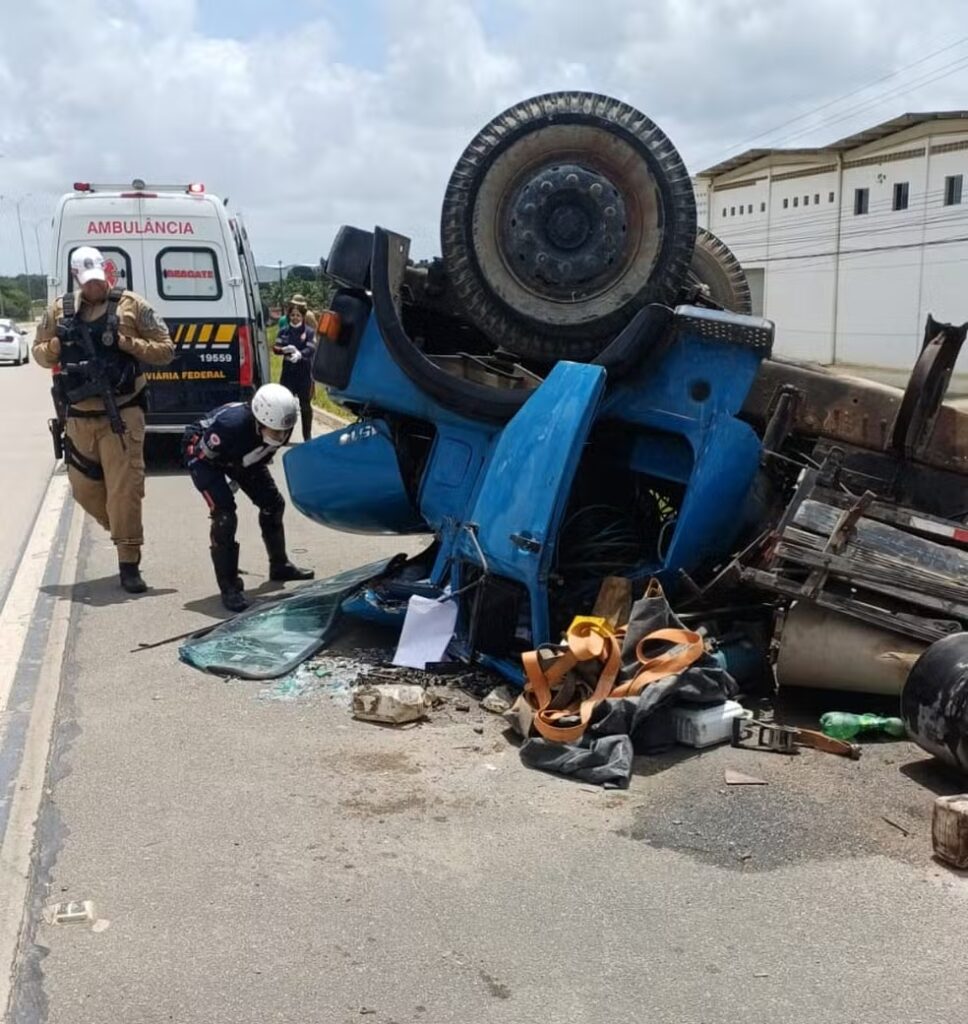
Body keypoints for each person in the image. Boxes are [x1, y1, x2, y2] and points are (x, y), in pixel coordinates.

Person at [32, 245, 174, 593]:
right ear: (78, 278)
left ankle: (129, 561)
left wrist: (128, 344)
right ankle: (122, 530)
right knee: (83, 490)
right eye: (89, 280)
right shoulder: (60, 311)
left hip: (121, 413)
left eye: (100, 279)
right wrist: (53, 349)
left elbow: (166, 349)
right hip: (79, 415)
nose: (96, 286)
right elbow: (37, 349)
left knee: (125, 491)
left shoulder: (132, 306)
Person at [182, 383, 314, 612]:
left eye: (283, 432)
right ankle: (229, 587)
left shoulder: (284, 422)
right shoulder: (229, 425)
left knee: (273, 504)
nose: (280, 436)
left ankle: (279, 564)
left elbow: (262, 454)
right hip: (204, 456)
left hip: (246, 455)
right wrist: (228, 483)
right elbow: (205, 458)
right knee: (225, 515)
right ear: (259, 418)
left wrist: (245, 469)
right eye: (273, 430)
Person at [273, 294, 316, 442]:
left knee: (305, 405)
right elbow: (276, 347)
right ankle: (285, 436)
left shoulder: (309, 332)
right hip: (288, 374)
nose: (295, 318)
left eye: (298, 315)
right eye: (292, 315)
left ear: (303, 316)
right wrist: (284, 350)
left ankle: (307, 436)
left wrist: (300, 354)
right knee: (286, 405)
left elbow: (311, 347)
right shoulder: (283, 331)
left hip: (304, 372)